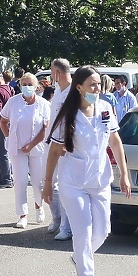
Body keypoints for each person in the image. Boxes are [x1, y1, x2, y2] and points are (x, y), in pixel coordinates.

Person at [42, 66, 131, 276]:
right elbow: (54, 151)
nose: (97, 89)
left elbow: (115, 141)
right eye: (92, 84)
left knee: (103, 230)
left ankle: (80, 257)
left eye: (99, 84)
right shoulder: (67, 114)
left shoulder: (104, 108)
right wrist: (48, 182)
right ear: (79, 87)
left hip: (99, 179)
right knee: (82, 232)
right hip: (73, 182)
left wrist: (124, 173)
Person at [0, 73, 50, 228]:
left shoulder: (43, 104)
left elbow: (45, 128)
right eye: (24, 84)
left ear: (36, 86)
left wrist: (32, 144)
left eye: (30, 84)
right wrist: (8, 137)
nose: (27, 87)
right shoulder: (13, 102)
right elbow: (3, 121)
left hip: (37, 147)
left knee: (37, 181)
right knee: (20, 181)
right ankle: (23, 214)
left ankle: (39, 206)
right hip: (17, 148)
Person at [46, 58, 73, 240]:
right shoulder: (57, 90)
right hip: (51, 143)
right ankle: (56, 218)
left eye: (51, 71)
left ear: (57, 73)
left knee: (64, 187)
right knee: (45, 182)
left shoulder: (73, 92)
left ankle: (66, 227)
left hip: (65, 147)